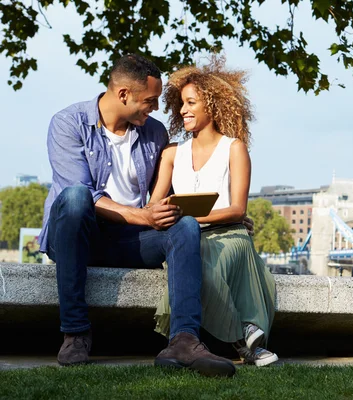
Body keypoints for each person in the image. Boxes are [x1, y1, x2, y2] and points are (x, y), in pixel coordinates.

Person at [39, 54, 235, 377]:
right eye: (150, 100)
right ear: (123, 95)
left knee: (184, 226)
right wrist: (143, 217)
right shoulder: (67, 123)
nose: (156, 108)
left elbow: (178, 185)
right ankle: (75, 332)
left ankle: (184, 339)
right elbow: (84, 194)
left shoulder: (154, 134)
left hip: (128, 241)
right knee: (75, 198)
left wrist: (231, 213)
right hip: (79, 237)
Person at [150, 58, 278, 367]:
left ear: (214, 105)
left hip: (229, 234)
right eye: (181, 103)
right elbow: (154, 205)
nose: (183, 110)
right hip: (185, 235)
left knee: (207, 256)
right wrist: (172, 217)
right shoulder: (171, 153)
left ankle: (227, 339)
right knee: (192, 253)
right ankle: (244, 336)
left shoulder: (234, 148)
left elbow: (237, 209)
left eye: (191, 102)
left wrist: (192, 217)